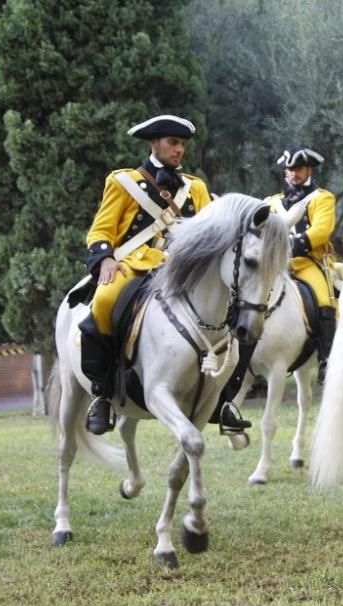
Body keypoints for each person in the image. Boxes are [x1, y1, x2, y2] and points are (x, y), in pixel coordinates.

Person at [80, 114, 211, 434]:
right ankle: (102, 394)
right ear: (155, 143)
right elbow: (101, 229)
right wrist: (105, 260)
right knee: (105, 302)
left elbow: (209, 233)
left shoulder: (196, 188)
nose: (179, 150)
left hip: (181, 270)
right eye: (173, 142)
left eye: (182, 144)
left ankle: (223, 398)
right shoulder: (123, 182)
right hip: (133, 265)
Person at [265, 146, 338, 383]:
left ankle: (326, 360)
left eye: (298, 169)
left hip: (309, 262)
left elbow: (321, 231)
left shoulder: (322, 198)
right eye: (289, 169)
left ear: (309, 170)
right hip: (276, 263)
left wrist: (290, 244)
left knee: (324, 300)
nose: (293, 174)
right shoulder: (271, 202)